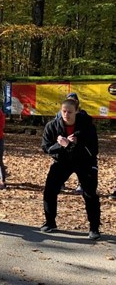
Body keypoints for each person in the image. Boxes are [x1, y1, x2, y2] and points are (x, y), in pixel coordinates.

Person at [40, 99, 101, 240]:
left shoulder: (87, 126)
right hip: (62, 162)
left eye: (70, 112)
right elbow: (46, 147)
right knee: (50, 190)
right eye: (64, 111)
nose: (66, 114)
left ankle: (94, 228)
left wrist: (75, 144)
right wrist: (60, 145)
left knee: (90, 194)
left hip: (85, 162)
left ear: (77, 111)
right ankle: (50, 222)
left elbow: (93, 150)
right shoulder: (52, 126)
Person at [56, 93, 85, 194]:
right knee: (60, 164)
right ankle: (60, 183)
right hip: (63, 144)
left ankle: (81, 185)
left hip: (77, 145)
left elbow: (86, 131)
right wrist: (60, 139)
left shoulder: (82, 115)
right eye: (69, 100)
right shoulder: (60, 114)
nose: (66, 114)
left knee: (80, 165)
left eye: (73, 101)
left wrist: (78, 139)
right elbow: (56, 127)